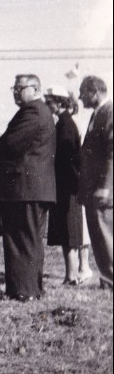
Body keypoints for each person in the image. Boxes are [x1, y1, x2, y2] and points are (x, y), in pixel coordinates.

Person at [0, 74, 56, 301]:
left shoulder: (33, 111)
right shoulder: (39, 111)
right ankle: (31, 289)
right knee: (30, 240)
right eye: (14, 88)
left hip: (24, 188)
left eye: (20, 88)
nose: (16, 92)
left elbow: (9, 143)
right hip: (32, 188)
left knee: (21, 240)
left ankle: (22, 291)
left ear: (35, 88)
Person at [45, 85, 92, 285]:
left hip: (67, 188)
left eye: (49, 102)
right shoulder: (65, 124)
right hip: (67, 187)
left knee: (69, 232)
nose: (47, 105)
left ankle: (71, 275)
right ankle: (70, 274)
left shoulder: (64, 126)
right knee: (67, 231)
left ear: (59, 102)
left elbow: (67, 161)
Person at [77, 75, 113, 290]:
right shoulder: (97, 115)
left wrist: (106, 186)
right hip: (93, 189)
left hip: (102, 190)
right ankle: (107, 279)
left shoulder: (109, 113)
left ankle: (110, 280)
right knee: (98, 235)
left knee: (105, 233)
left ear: (95, 92)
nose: (80, 98)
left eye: (83, 93)